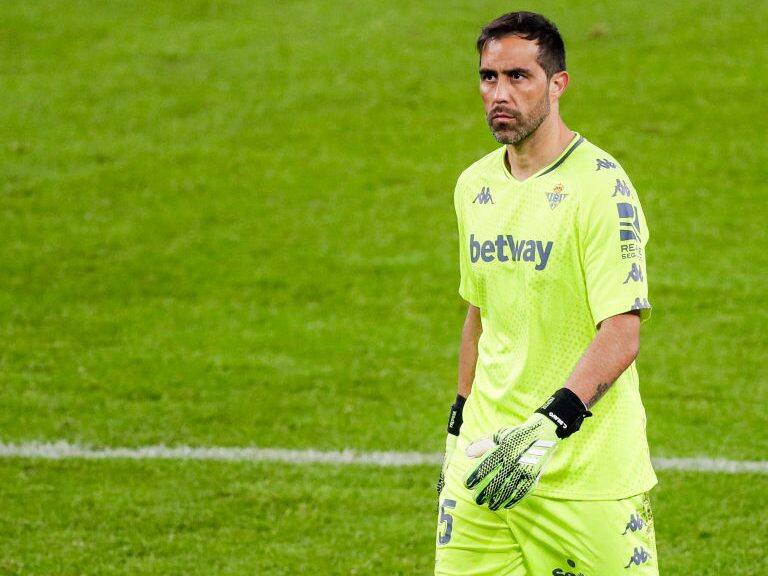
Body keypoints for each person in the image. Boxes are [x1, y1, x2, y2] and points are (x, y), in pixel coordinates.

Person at [435, 11, 658, 576]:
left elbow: (622, 330)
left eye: (519, 77)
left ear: (557, 84)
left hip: (582, 476)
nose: (500, 94)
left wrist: (550, 423)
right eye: (489, 77)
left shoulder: (602, 188)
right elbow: (479, 313)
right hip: (486, 468)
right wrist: (459, 426)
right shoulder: (474, 185)